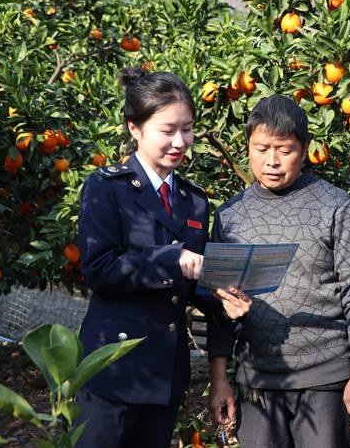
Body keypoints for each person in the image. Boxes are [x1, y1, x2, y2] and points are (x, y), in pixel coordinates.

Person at [75, 67, 252, 448]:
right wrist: (169, 257)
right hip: (112, 370)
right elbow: (99, 270)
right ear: (135, 128)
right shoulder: (107, 188)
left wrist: (224, 299)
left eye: (186, 129)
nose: (179, 141)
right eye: (167, 130)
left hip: (165, 374)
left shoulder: (194, 200)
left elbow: (193, 284)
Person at [206, 94, 350, 447]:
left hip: (325, 378)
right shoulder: (229, 215)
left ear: (305, 148)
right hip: (258, 379)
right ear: (248, 146)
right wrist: (220, 377)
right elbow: (217, 306)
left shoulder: (335, 206)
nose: (272, 161)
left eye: (284, 150)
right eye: (261, 148)